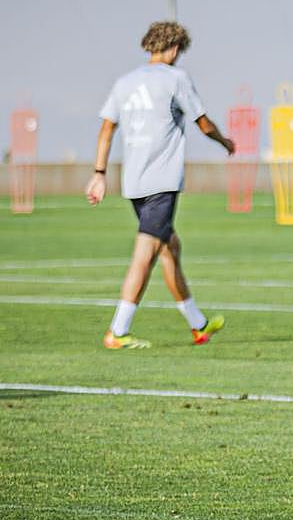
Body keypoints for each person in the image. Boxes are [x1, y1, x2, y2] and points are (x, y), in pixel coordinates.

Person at [86, 20, 234, 349]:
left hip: (135, 184)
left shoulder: (124, 82)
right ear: (176, 48)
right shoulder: (176, 79)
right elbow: (203, 123)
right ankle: (117, 331)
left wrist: (99, 173)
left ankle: (198, 325)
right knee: (146, 254)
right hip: (161, 183)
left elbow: (107, 129)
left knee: (170, 249)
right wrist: (225, 142)